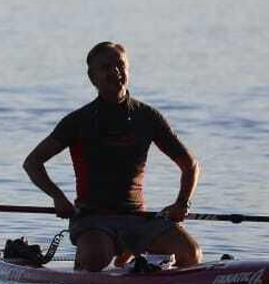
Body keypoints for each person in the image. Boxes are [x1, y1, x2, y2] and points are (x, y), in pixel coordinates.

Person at [22, 41, 202, 272]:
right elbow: (33, 163)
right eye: (106, 67)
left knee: (191, 254)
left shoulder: (147, 117)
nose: (115, 71)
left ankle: (131, 255)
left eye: (120, 65)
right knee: (96, 259)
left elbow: (190, 165)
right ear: (92, 77)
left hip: (138, 218)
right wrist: (58, 197)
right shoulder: (78, 121)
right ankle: (100, 257)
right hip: (91, 218)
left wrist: (182, 203)